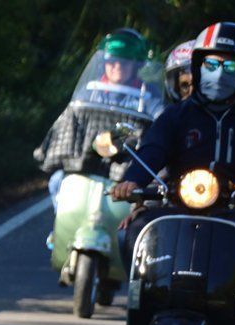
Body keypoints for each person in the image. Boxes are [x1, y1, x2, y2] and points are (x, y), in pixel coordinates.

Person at [112, 22, 235, 325]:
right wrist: (133, 181)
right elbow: (152, 150)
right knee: (134, 233)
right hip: (176, 203)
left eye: (231, 67)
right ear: (198, 66)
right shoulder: (177, 116)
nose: (220, 75)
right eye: (213, 64)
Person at [37, 28, 161, 214]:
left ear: (137, 65)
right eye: (112, 61)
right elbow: (71, 123)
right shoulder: (90, 91)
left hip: (125, 168)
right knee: (57, 181)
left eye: (125, 62)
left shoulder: (148, 95)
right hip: (86, 163)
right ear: (104, 62)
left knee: (146, 201)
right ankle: (62, 233)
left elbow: (161, 120)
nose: (117, 66)